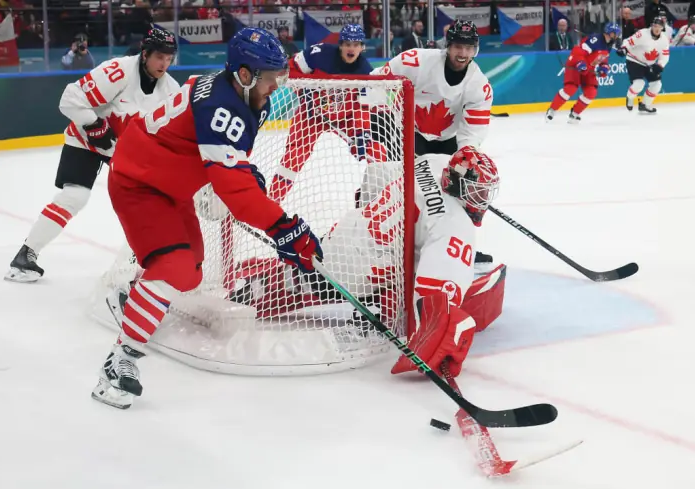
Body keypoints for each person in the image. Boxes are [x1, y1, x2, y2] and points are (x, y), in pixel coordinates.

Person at [91, 27, 322, 410]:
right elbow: (237, 194)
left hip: (167, 186)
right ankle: (119, 361)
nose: (276, 86)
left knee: (192, 272)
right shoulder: (221, 105)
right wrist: (286, 229)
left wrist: (247, 175)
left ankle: (134, 295)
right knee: (175, 267)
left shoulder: (240, 95)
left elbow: (230, 162)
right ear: (245, 75)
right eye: (270, 77)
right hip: (139, 184)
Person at [5, 26, 181, 283]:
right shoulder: (118, 71)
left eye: (169, 58)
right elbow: (69, 98)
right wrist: (93, 123)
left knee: (148, 200)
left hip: (123, 150)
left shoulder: (171, 90)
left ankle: (143, 258)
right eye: (159, 57)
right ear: (145, 54)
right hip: (85, 141)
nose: (164, 64)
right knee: (74, 196)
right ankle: (26, 255)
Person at [319, 147, 505, 379]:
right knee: (418, 265)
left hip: (339, 236)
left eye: (484, 193)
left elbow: (376, 173)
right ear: (459, 185)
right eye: (477, 192)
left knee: (291, 279)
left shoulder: (434, 161)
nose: (483, 200)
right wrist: (441, 332)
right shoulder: (454, 225)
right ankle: (384, 305)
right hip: (357, 276)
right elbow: (432, 300)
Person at [375, 19, 494, 266]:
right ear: (448, 46)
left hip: (448, 141)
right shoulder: (417, 61)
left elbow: (472, 131)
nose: (463, 53)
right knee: (395, 185)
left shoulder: (479, 85)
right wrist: (377, 115)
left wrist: (465, 158)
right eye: (458, 46)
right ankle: (386, 241)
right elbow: (378, 80)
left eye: (469, 48)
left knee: (460, 193)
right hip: (408, 133)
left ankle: (461, 244)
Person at [268, 24, 373, 203]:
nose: (351, 48)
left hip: (345, 117)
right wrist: (303, 90)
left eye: (356, 45)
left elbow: (362, 106)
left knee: (375, 150)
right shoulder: (319, 54)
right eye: (347, 44)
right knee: (294, 156)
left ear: (362, 47)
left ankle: (373, 197)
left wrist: (362, 132)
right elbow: (291, 69)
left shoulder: (366, 71)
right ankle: (273, 200)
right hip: (311, 114)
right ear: (340, 45)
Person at [546, 22, 621, 123]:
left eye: (617, 34)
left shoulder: (609, 45)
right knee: (570, 88)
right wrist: (580, 63)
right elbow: (578, 51)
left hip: (588, 67)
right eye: (615, 33)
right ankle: (552, 110)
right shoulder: (595, 40)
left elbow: (603, 59)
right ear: (608, 32)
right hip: (575, 63)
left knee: (591, 92)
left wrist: (604, 67)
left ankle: (574, 113)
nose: (616, 36)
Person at [619, 16, 670, 114]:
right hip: (635, 60)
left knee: (657, 85)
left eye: (659, 27)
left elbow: (665, 55)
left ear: (662, 28)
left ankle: (645, 104)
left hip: (649, 64)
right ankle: (630, 97)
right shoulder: (642, 34)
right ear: (652, 26)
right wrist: (624, 48)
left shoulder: (664, 40)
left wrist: (660, 65)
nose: (657, 29)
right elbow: (628, 41)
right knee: (639, 84)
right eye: (655, 26)